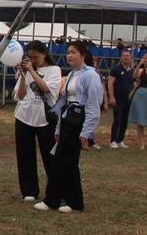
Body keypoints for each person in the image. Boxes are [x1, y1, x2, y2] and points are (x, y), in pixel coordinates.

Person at [38, 39, 101, 213]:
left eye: (73, 52)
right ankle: (69, 200)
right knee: (64, 161)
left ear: (83, 55)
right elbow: (63, 102)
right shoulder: (73, 74)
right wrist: (59, 127)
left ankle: (57, 200)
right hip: (67, 119)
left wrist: (86, 132)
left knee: (65, 161)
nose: (69, 56)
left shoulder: (91, 76)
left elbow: (93, 106)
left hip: (78, 122)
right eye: (68, 52)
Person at [13, 41, 60, 202]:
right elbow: (19, 95)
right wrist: (23, 75)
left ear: (44, 54)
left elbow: (47, 89)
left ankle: (55, 190)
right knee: (25, 154)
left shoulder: (54, 70)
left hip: (45, 117)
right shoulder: (26, 71)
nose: (33, 60)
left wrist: (32, 71)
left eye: (36, 57)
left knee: (50, 155)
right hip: (24, 115)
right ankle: (29, 190)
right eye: (30, 57)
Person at [107, 45, 136, 148]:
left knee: (125, 120)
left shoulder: (132, 71)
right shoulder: (116, 69)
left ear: (131, 57)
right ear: (121, 57)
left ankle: (120, 140)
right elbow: (110, 83)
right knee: (117, 119)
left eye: (128, 56)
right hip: (117, 99)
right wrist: (111, 97)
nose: (126, 57)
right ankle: (113, 140)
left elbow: (134, 84)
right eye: (124, 56)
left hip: (128, 100)